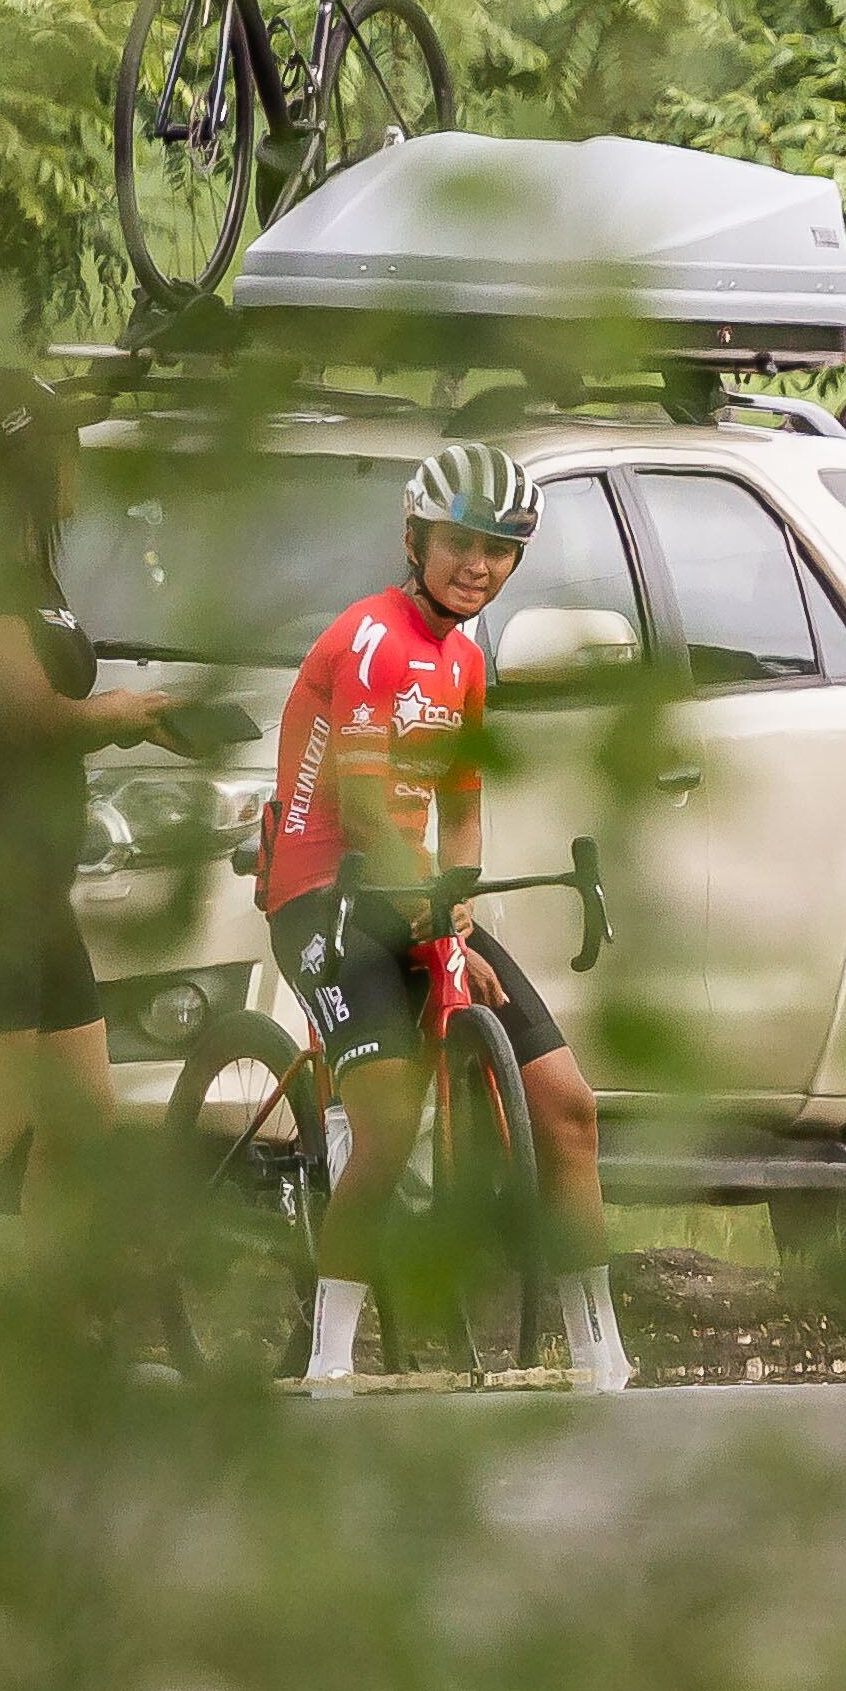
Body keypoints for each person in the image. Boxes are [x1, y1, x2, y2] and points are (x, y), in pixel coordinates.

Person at [264, 443, 630, 1394]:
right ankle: (331, 1357)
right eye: (461, 543)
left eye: (501, 549)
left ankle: (602, 1352)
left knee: (568, 1105)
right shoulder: (373, 639)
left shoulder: (464, 658)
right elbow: (363, 810)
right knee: (390, 1127)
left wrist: (458, 904)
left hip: (411, 891)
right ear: (415, 539)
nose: (479, 565)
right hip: (325, 893)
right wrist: (441, 929)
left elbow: (462, 806)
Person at [0, 361, 181, 1343]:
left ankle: (54, 1337)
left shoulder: (29, 570)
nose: (74, 461)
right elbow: (28, 714)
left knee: (79, 1117)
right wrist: (123, 714)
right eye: (59, 444)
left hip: (33, 884)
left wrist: (139, 721)